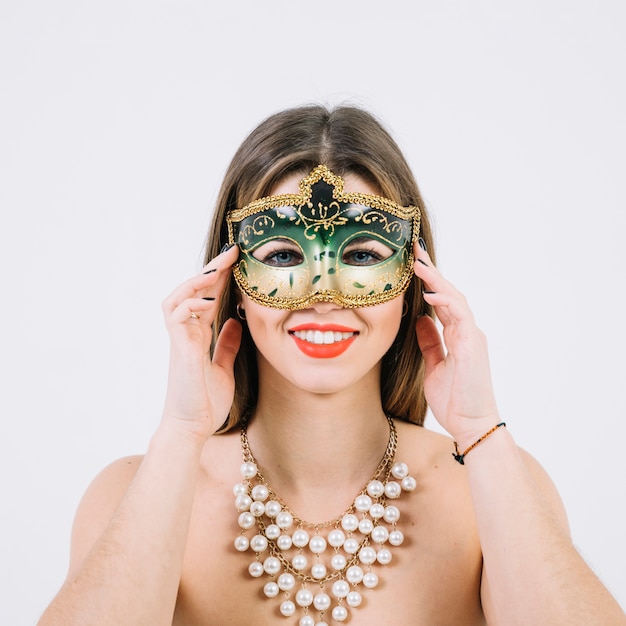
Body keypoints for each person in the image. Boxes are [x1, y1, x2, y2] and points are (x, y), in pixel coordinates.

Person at [39, 105, 625, 626]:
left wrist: (481, 431)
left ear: (412, 281)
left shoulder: (493, 488)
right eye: (285, 253)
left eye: (364, 253)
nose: (324, 291)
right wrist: (180, 433)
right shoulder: (128, 495)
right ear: (230, 281)